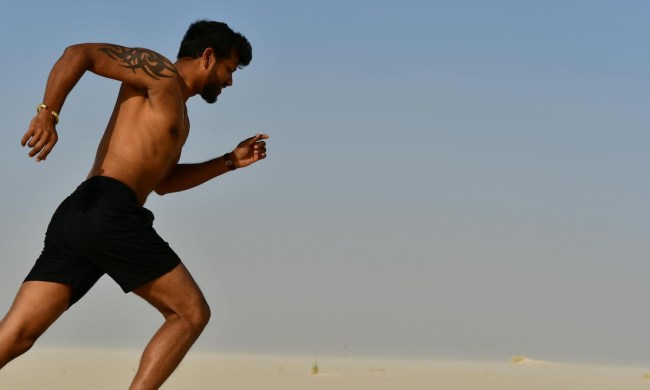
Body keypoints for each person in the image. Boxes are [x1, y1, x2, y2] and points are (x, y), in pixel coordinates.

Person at [0, 20, 268, 389]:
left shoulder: (181, 117)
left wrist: (229, 162)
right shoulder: (158, 73)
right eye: (229, 69)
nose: (230, 81)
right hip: (110, 208)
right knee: (189, 314)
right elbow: (78, 54)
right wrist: (49, 112)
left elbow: (164, 184)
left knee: (14, 337)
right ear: (208, 56)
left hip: (80, 214)